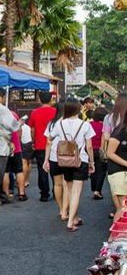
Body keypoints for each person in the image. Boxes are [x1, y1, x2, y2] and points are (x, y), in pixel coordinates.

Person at [43, 99, 95, 232]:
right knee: (76, 192)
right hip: (80, 160)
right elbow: (89, 146)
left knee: (71, 190)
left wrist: (47, 158)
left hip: (65, 161)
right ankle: (71, 222)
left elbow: (49, 139)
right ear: (78, 109)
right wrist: (92, 162)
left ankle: (75, 217)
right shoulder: (85, 125)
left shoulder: (59, 124)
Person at [28, 91, 57, 202]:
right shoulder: (55, 112)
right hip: (54, 144)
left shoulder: (35, 112)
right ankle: (57, 191)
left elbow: (32, 129)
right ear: (51, 100)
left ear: (39, 100)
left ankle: (44, 193)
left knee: (42, 169)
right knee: (55, 169)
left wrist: (33, 141)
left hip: (40, 145)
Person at [104, 93, 127, 218]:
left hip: (117, 160)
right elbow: (110, 152)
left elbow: (105, 136)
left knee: (120, 203)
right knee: (123, 205)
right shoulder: (120, 128)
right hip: (118, 164)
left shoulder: (109, 117)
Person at [3, 109, 27, 201]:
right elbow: (19, 130)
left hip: (4, 147)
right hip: (16, 147)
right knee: (19, 171)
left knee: (6, 172)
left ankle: (6, 193)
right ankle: (21, 193)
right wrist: (18, 140)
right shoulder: (14, 114)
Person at [89, 108, 107, 200]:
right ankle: (97, 191)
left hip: (90, 150)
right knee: (101, 171)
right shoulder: (104, 125)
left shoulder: (89, 124)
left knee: (93, 169)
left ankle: (94, 188)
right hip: (101, 150)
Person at [20, 115, 34, 188]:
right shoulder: (28, 127)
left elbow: (19, 137)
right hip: (29, 143)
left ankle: (23, 181)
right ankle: (27, 180)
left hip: (23, 144)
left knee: (24, 162)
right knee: (29, 162)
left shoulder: (20, 127)